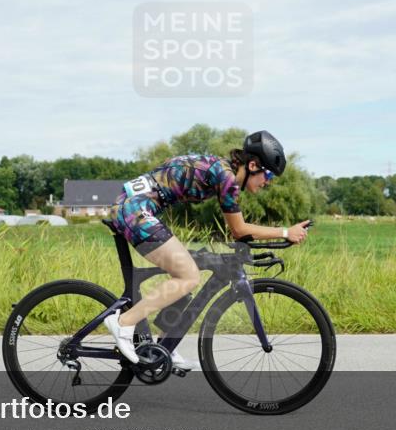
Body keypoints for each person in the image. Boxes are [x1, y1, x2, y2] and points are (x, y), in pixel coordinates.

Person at [105, 130, 311, 370]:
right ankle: (124, 323)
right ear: (253, 165)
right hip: (134, 211)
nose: (268, 182)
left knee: (188, 270)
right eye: (267, 175)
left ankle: (164, 347)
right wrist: (285, 232)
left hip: (134, 207)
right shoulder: (227, 178)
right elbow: (239, 230)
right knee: (188, 275)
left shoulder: (221, 169)